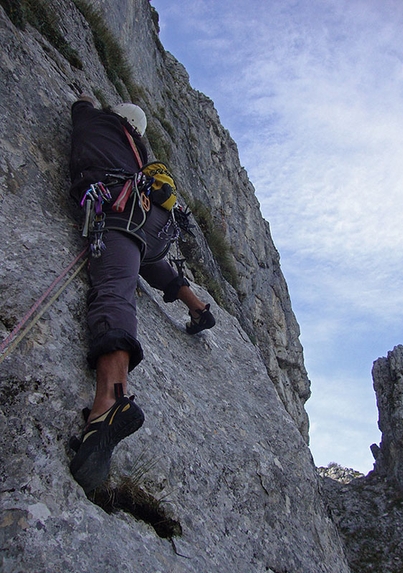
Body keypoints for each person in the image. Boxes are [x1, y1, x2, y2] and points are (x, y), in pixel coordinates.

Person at [68, 94, 215, 494]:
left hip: (117, 211)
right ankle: (198, 307)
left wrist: (87, 102)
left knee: (114, 287)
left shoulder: (98, 123)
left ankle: (112, 398)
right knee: (140, 260)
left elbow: (80, 107)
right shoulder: (139, 150)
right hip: (148, 224)